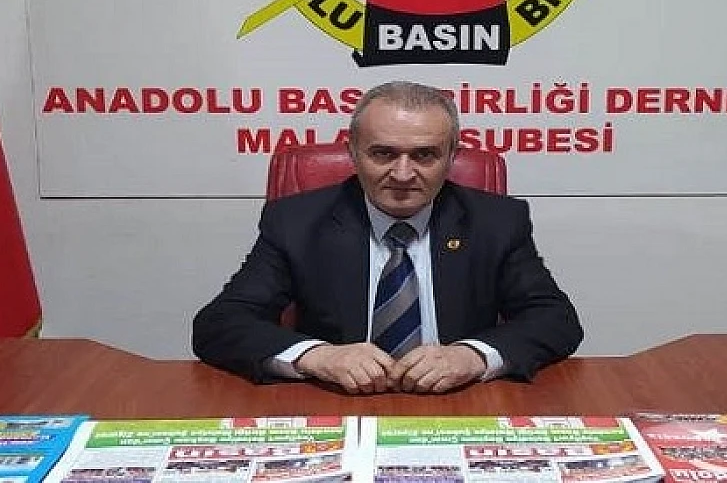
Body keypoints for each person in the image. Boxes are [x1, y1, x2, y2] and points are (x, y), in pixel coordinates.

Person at [192, 81, 583, 394]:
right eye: (382, 154)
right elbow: (220, 324)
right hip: (336, 402)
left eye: (424, 155)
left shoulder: (496, 222)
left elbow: (555, 320)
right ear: (352, 152)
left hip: (458, 403)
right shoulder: (296, 222)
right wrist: (319, 357)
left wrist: (472, 357)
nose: (402, 174)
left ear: (451, 156)